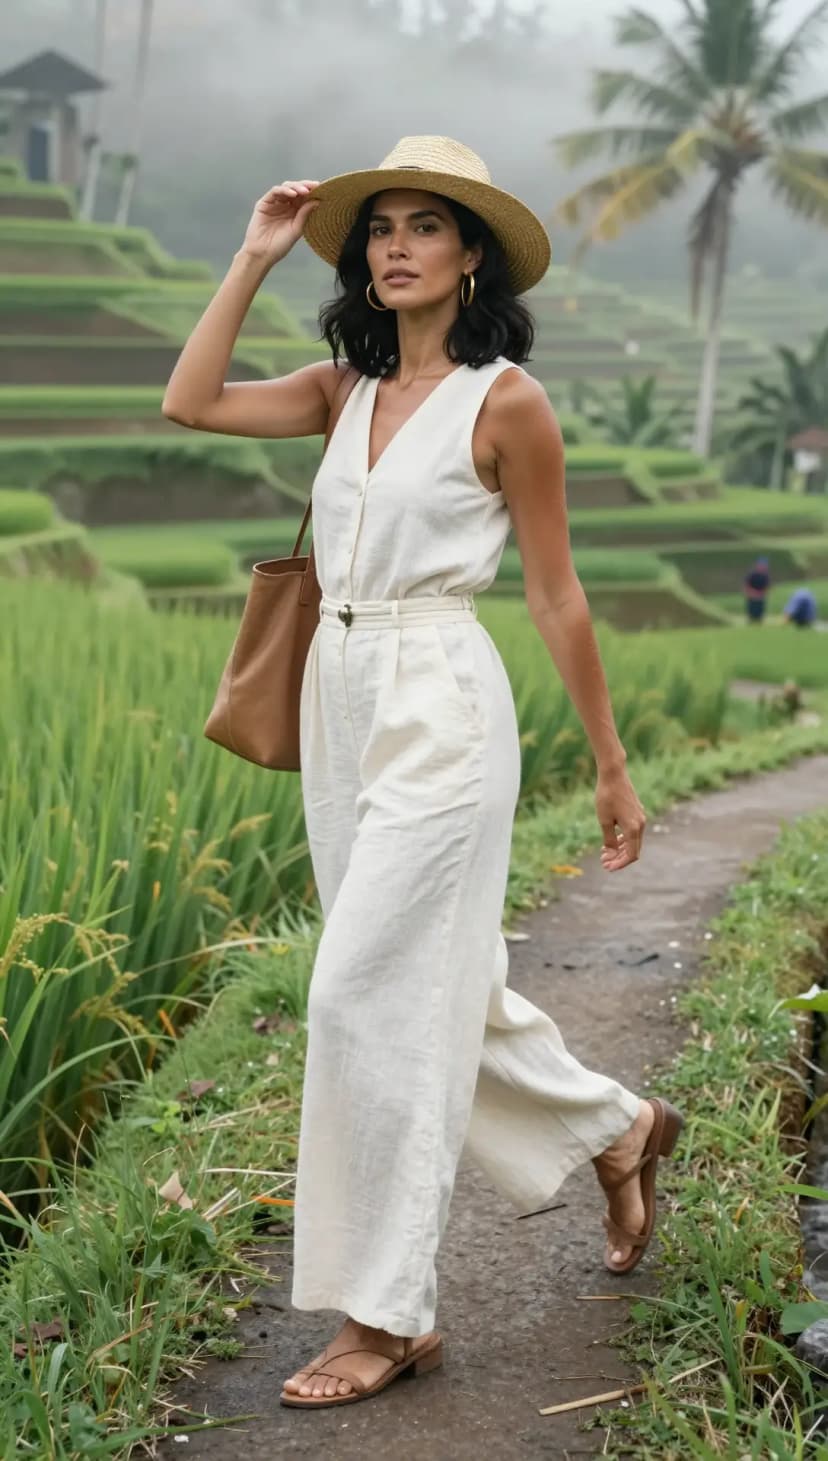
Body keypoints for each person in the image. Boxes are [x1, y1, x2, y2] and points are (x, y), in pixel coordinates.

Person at [162, 135, 683, 1411]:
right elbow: (191, 401)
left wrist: (611, 765)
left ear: (471, 258)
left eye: (424, 227)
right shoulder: (339, 391)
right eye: (378, 227)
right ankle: (617, 1128)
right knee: (425, 975)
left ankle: (387, 1315)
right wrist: (253, 254)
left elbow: (557, 595)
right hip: (340, 700)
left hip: (443, 700)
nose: (394, 245)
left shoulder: (506, 401)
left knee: (357, 999)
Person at [743, 555, 770, 624]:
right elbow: (747, 586)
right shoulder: (752, 575)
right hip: (752, 598)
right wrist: (753, 593)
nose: (763, 567)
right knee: (751, 616)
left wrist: (761, 594)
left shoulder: (765, 576)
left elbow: (766, 588)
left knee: (759, 616)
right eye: (761, 565)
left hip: (760, 598)